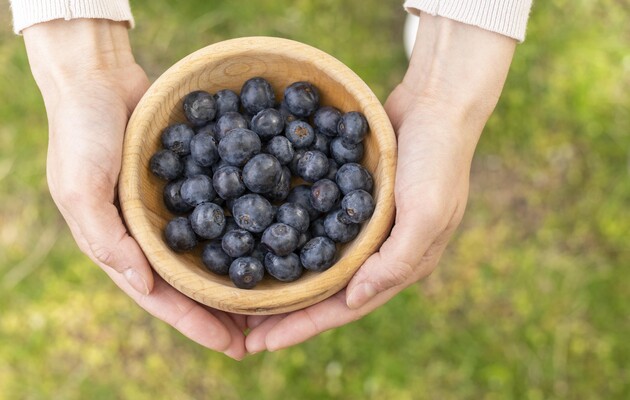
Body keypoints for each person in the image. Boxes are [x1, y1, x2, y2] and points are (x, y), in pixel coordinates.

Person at [10, 0, 533, 360]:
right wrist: (82, 65)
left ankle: (447, 24)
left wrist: (452, 85)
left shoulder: (287, 170)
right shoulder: (229, 193)